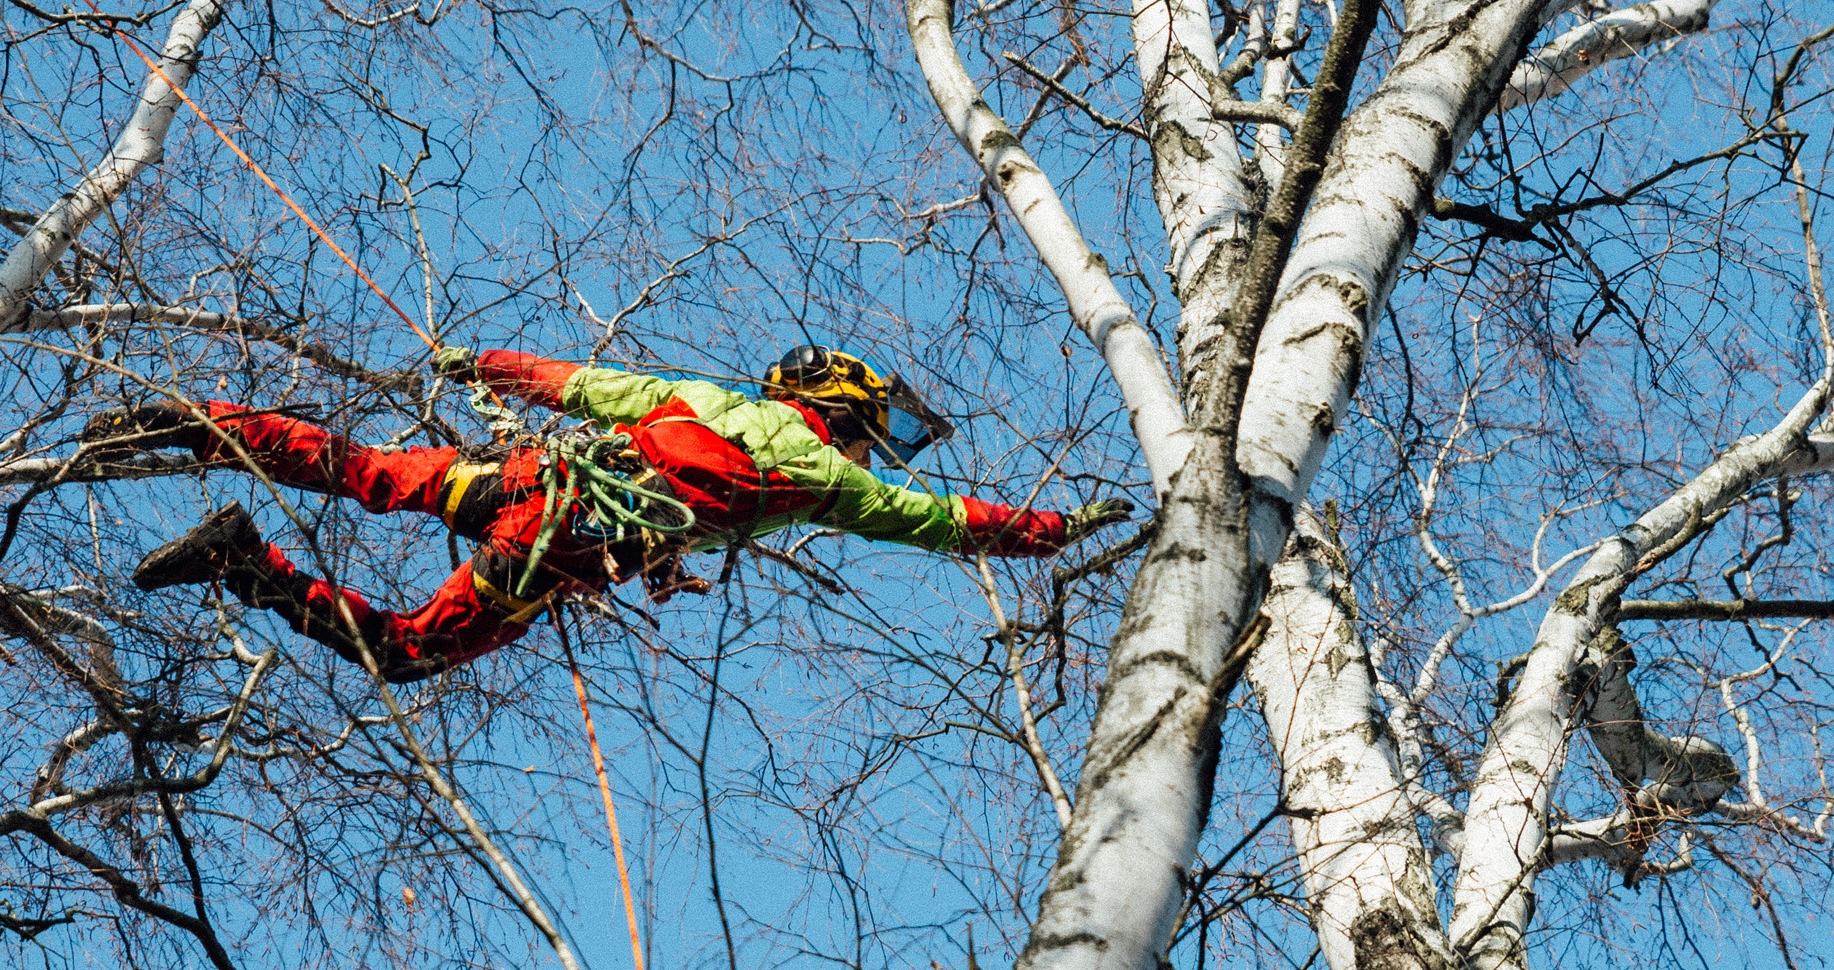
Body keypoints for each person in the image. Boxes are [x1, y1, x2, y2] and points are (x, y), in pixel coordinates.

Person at [80, 345, 1134, 682]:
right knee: (406, 650)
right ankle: (241, 561)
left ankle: (195, 419)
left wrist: (489, 363)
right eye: (873, 429)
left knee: (367, 471)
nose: (875, 450)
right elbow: (953, 524)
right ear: (847, 414)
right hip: (547, 545)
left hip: (528, 473)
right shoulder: (834, 478)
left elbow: (587, 383)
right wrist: (1060, 527)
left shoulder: (718, 399)